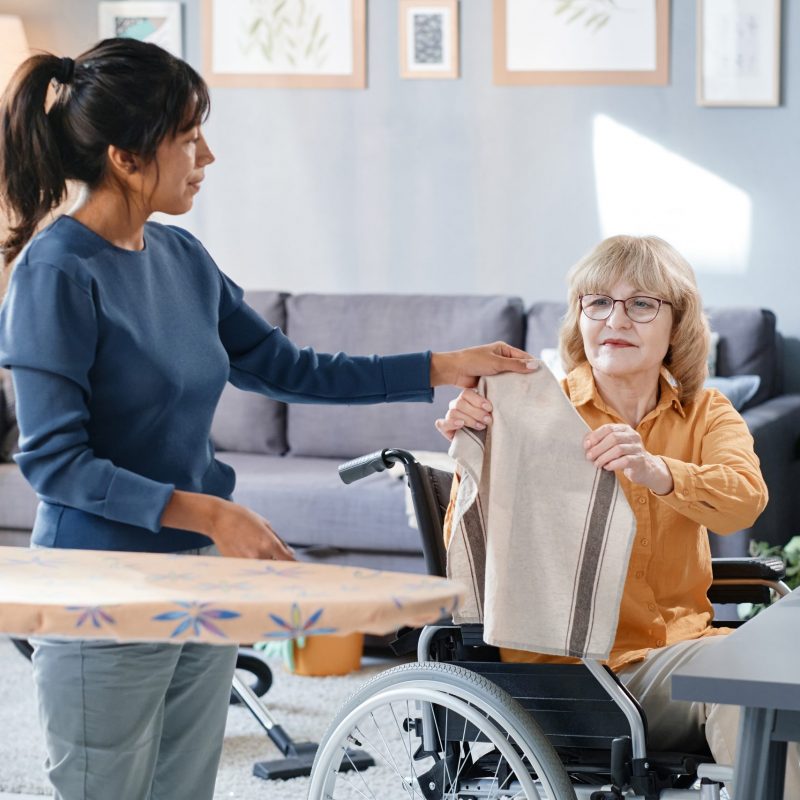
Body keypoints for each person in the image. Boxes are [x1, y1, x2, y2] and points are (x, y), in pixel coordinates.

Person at [0, 39, 536, 800]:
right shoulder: (55, 276)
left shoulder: (180, 258)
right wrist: (212, 514)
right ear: (125, 156)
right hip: (102, 587)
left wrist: (436, 366)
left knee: (184, 788)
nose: (207, 155)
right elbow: (53, 463)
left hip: (200, 581)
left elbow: (287, 368)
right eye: (189, 137)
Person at [437, 234, 799, 797]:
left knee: (766, 680)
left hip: (678, 654)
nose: (616, 319)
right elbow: (476, 548)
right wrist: (475, 450)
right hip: (577, 675)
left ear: (676, 324)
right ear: (579, 317)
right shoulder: (535, 414)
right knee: (746, 688)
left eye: (641, 304)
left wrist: (660, 473)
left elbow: (745, 499)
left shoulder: (706, 412)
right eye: (597, 302)